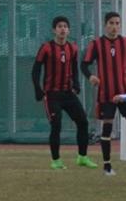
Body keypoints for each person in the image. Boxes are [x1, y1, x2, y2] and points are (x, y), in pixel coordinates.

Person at [81, 11, 126, 176]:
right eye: (111, 23)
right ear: (106, 25)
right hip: (106, 93)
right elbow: (84, 64)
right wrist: (90, 75)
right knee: (107, 128)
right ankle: (107, 166)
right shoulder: (96, 44)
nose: (114, 26)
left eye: (117, 23)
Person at [31, 15, 98, 170]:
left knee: (83, 122)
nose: (62, 29)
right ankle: (56, 160)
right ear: (54, 30)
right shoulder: (46, 47)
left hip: (68, 94)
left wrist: (76, 84)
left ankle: (82, 157)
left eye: (65, 26)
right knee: (56, 124)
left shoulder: (73, 48)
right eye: (59, 26)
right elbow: (35, 70)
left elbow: (74, 69)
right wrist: (38, 89)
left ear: (68, 30)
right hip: (52, 95)